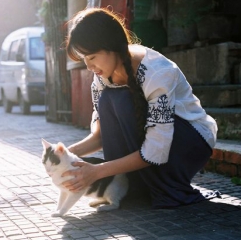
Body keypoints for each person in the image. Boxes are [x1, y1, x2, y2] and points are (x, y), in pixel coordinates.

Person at [62, 7, 219, 208]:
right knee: (112, 99)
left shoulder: (157, 73)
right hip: (158, 144)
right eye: (84, 59)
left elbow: (156, 151)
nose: (89, 67)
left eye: (92, 57)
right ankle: (134, 187)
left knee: (121, 101)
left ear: (112, 46)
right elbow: (101, 136)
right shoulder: (102, 77)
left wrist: (97, 171)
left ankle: (165, 186)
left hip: (190, 141)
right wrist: (65, 154)